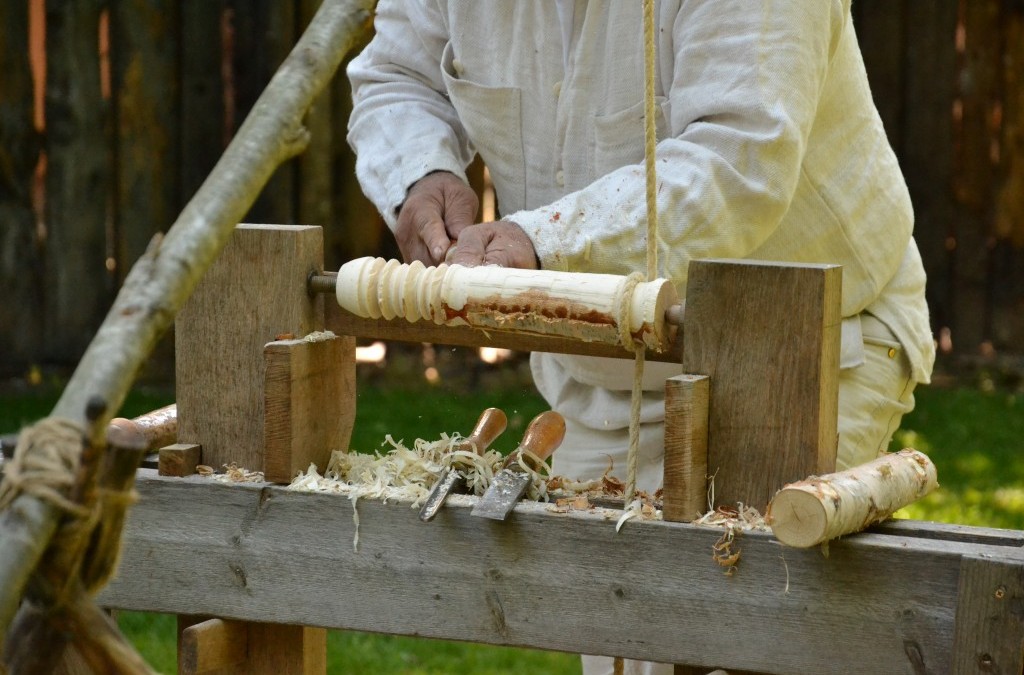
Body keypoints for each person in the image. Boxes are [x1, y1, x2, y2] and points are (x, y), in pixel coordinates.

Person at [347, 2, 935, 673]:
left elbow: (739, 159)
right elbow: (397, 75)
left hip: (810, 347)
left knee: (736, 634)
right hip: (596, 358)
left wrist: (543, 240)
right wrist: (421, 173)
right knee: (628, 640)